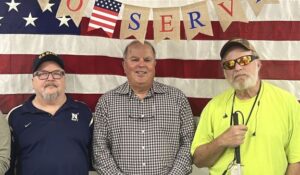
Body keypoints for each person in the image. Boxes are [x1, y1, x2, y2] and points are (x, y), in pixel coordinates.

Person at [191, 38, 300, 175]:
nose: (237, 68)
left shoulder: (287, 102)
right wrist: (221, 141)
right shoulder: (213, 107)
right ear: (224, 72)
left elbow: (296, 161)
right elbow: (198, 160)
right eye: (229, 64)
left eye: (244, 60)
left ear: (258, 64)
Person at [93, 40, 195, 175]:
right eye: (134, 59)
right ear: (124, 65)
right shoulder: (106, 102)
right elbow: (100, 150)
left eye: (147, 59)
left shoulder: (177, 99)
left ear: (154, 65)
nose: (141, 64)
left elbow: (189, 143)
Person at [6, 51, 93, 175]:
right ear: (33, 81)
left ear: (64, 79)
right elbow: (7, 166)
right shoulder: (16, 116)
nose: (50, 78)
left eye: (57, 73)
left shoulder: (84, 113)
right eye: (42, 74)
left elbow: (95, 159)